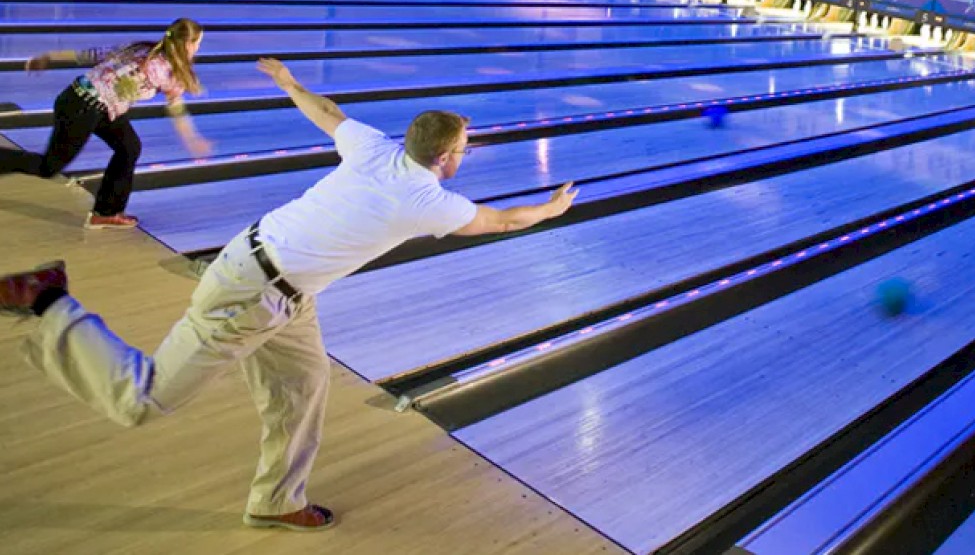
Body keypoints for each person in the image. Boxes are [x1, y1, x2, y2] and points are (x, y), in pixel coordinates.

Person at [0, 57, 578, 532]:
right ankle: (51, 302)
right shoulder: (430, 202)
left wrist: (287, 82)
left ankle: (276, 499)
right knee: (142, 399)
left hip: (279, 284)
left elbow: (327, 113)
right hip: (253, 295)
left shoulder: (374, 148)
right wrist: (551, 208)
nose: (464, 156)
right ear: (447, 157)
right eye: (464, 149)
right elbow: (500, 222)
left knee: (303, 389)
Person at [0, 18, 213, 229]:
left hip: (81, 99)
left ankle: (106, 212)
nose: (198, 48)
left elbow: (87, 55)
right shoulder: (169, 73)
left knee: (129, 147)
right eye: (197, 43)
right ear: (187, 44)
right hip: (85, 108)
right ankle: (105, 211)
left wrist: (48, 57)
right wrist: (193, 140)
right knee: (47, 167)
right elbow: (176, 111)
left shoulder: (137, 48)